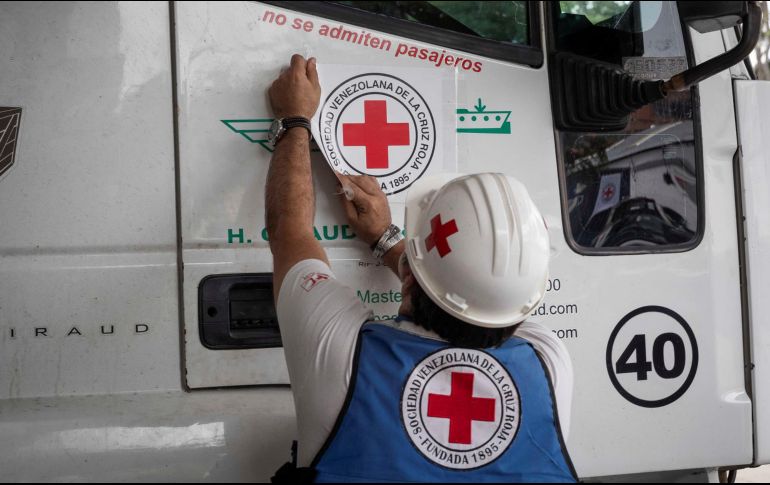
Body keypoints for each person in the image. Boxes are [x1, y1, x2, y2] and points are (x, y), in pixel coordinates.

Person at [265, 54, 577, 483]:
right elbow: (483, 291)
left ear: (411, 272)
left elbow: (289, 232)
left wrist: (294, 118)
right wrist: (384, 239)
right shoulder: (547, 363)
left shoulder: (343, 356)